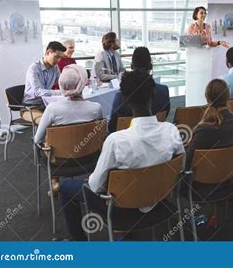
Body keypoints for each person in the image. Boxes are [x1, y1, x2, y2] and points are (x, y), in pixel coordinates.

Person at [60, 69, 184, 241]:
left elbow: (95, 186)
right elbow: (180, 165)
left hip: (123, 209)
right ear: (153, 95)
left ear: (125, 100)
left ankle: (78, 242)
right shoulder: (172, 131)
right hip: (159, 198)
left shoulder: (116, 140)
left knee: (67, 187)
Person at [34, 64, 103, 196]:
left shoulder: (52, 109)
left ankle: (55, 184)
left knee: (51, 142)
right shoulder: (96, 108)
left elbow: (38, 139)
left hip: (60, 162)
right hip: (89, 158)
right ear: (84, 83)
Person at [186, 79, 233, 171]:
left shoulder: (203, 131)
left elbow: (188, 163)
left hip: (203, 182)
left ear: (207, 98)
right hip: (232, 176)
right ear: (228, 96)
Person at [108, 46, 170, 133]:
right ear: (151, 66)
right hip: (156, 136)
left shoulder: (121, 95)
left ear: (131, 66)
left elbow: (112, 127)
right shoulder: (164, 91)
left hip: (126, 143)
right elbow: (165, 116)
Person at [22, 41, 66, 124]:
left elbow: (62, 83)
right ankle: (42, 137)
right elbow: (38, 91)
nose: (58, 60)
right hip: (30, 108)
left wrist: (70, 87)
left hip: (46, 105)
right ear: (48, 52)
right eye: (56, 57)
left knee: (66, 117)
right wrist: (60, 92)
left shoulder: (55, 68)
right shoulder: (34, 68)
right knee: (47, 122)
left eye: (60, 58)